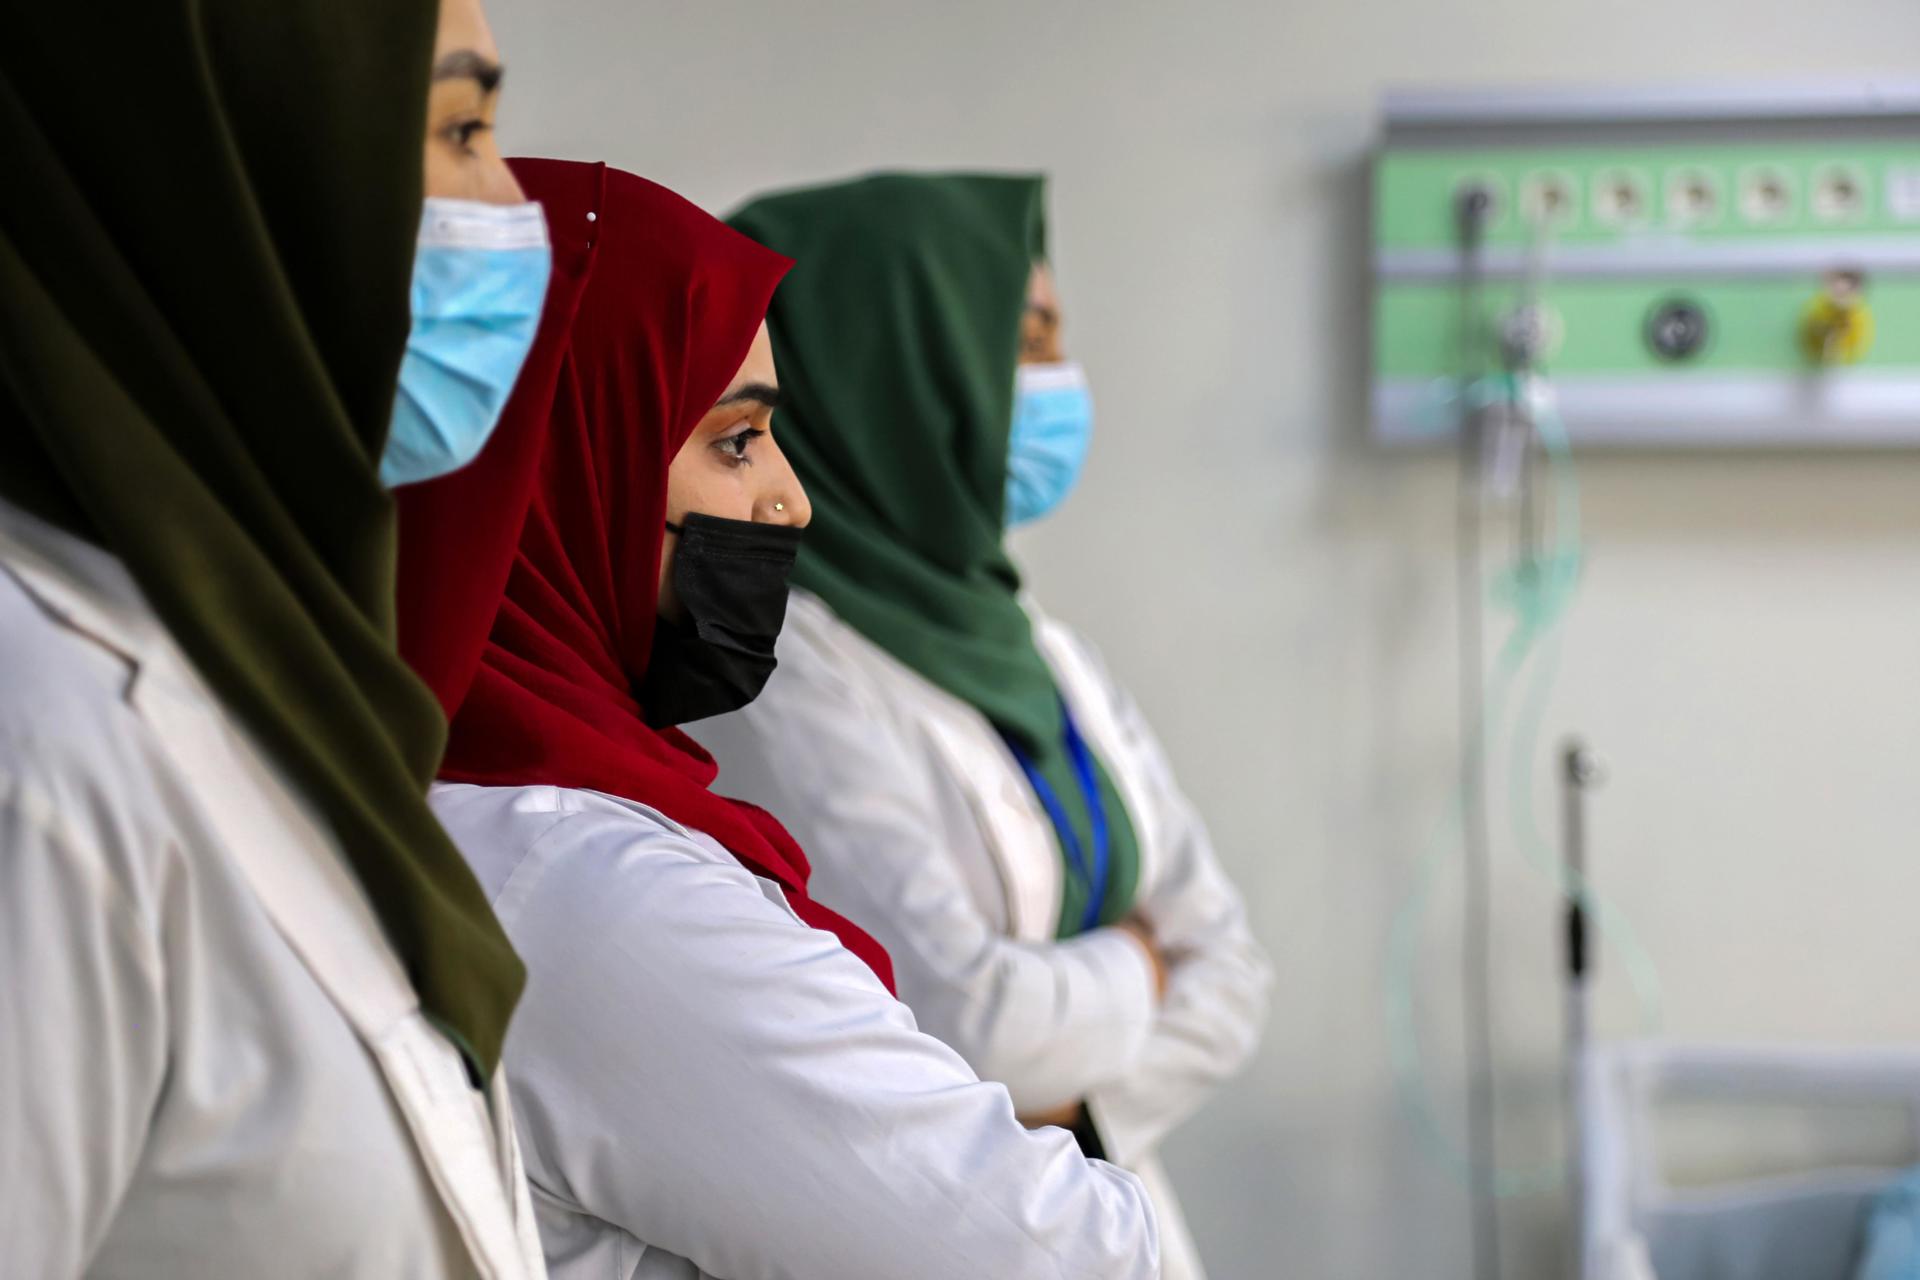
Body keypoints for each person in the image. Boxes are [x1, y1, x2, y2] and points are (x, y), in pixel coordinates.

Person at [398, 159, 1163, 1280]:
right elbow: (1061, 1253)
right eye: (736, 440)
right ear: (574, 463)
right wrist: (1130, 993)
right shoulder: (598, 894)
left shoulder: (467, 817)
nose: (787, 498)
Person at [0, 1, 551, 1274]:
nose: (508, 201)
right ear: (217, 177)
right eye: (460, 129)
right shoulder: (39, 741)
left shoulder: (287, 667)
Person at [697, 172, 1273, 1280]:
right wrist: (1144, 968)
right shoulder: (783, 669)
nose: (1057, 381)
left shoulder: (1038, 646)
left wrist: (1078, 1109)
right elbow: (963, 1021)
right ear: (902, 371)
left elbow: (1234, 967)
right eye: (1028, 338)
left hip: (1107, 1214)